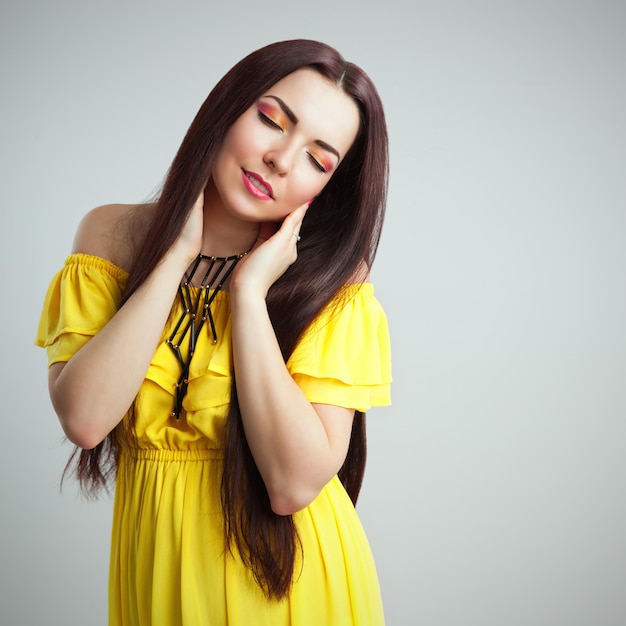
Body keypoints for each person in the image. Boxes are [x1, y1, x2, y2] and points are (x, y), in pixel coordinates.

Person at [36, 39, 391, 625]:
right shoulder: (110, 238)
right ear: (228, 109)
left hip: (291, 590)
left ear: (328, 188)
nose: (281, 159)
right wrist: (177, 253)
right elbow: (86, 419)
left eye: (317, 160)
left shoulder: (336, 283)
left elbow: (292, 484)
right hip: (156, 579)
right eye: (272, 120)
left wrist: (249, 295)